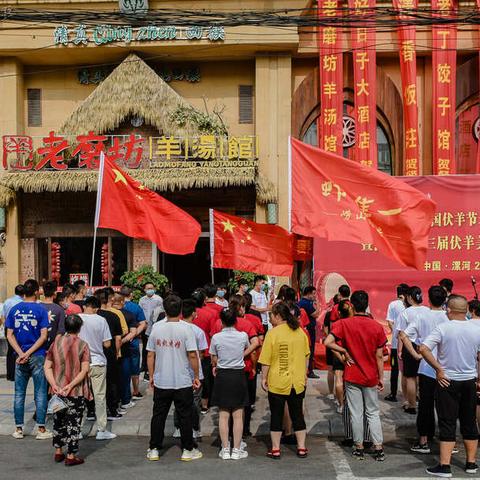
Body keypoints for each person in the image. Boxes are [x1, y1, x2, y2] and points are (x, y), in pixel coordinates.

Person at [420, 295, 480, 478]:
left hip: (448, 381)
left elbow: (423, 348)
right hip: (470, 380)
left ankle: (445, 466)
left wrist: (438, 369)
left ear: (449, 310)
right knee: (469, 421)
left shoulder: (443, 328)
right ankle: (471, 463)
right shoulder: (476, 328)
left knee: (448, 421)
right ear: (467, 311)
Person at [324, 290, 387, 462]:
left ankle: (358, 448)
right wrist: (381, 377)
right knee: (373, 412)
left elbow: (327, 342)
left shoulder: (344, 324)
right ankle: (378, 448)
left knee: (356, 412)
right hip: (371, 376)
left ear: (351, 305)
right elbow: (380, 356)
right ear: (367, 305)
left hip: (352, 375)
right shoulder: (376, 326)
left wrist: (343, 350)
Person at [146, 295, 202, 462]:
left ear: (165, 309)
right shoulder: (186, 329)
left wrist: (151, 375)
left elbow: (150, 354)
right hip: (182, 379)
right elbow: (192, 355)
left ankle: (154, 448)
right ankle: (187, 449)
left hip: (162, 379)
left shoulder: (156, 328)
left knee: (159, 415)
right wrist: (197, 375)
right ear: (180, 310)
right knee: (185, 415)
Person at [399, 286, 448, 454]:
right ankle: (450, 443)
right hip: (446, 368)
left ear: (428, 298)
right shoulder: (449, 317)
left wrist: (416, 354)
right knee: (447, 406)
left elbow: (403, 335)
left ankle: (423, 441)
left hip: (427, 367)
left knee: (426, 405)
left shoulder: (422, 315)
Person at [259, 302, 310, 459]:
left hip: (277, 380)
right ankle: (301, 448)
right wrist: (304, 373)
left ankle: (275, 448)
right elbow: (306, 354)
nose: (271, 319)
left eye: (271, 316)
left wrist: (263, 378)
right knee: (297, 416)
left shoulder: (273, 334)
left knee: (276, 415)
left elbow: (266, 359)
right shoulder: (299, 332)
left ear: (276, 315)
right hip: (297, 381)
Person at [5, 279, 52, 440]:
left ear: (24, 292)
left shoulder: (14, 309)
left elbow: (9, 334)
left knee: (19, 393)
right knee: (40, 392)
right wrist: (30, 352)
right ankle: (41, 429)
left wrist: (21, 353)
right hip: (38, 355)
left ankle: (18, 429)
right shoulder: (40, 310)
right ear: (37, 292)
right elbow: (44, 335)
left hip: (20, 356)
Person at [44, 314, 92, 466]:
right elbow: (84, 370)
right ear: (79, 328)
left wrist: (54, 384)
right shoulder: (83, 345)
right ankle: (71, 455)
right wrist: (70, 385)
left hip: (57, 391)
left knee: (58, 420)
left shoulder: (55, 343)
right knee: (73, 422)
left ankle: (58, 451)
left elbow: (47, 367)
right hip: (75, 391)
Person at [210, 308, 255, 460]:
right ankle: (236, 450)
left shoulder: (216, 337)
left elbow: (214, 358)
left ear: (221, 322)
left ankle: (224, 448)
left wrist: (216, 365)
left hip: (222, 375)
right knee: (237, 415)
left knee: (223, 415)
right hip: (238, 375)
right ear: (235, 320)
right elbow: (249, 348)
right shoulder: (242, 336)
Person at [78, 296, 116, 440]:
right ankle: (101, 430)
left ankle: (78, 429)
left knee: (80, 396)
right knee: (100, 396)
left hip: (81, 364)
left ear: (84, 306)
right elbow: (107, 344)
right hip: (98, 362)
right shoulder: (101, 320)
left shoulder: (76, 318)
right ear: (97, 308)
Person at [172, 299, 208, 440]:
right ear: (194, 314)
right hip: (194, 372)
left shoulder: (175, 329)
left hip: (179, 370)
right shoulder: (198, 331)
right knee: (194, 401)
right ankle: (194, 428)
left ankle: (178, 427)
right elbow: (200, 354)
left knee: (179, 400)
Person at [396, 286, 430, 414]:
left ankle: (411, 405)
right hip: (426, 346)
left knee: (410, 377)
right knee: (422, 376)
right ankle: (423, 401)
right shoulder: (427, 310)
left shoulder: (405, 313)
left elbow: (401, 334)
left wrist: (400, 350)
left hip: (410, 346)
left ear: (409, 298)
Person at [96, 289, 123, 420]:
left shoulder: (92, 317)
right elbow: (118, 338)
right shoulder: (114, 316)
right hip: (109, 352)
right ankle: (112, 410)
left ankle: (91, 411)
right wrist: (117, 352)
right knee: (112, 381)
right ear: (109, 300)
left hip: (93, 353)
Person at [191, 289, 217, 414]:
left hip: (189, 349)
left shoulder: (183, 314)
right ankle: (205, 403)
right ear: (204, 300)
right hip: (205, 350)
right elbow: (213, 334)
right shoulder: (211, 313)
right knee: (205, 377)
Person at [112, 293, 138, 410]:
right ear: (123, 302)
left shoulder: (108, 314)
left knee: (113, 377)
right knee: (125, 375)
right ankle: (125, 400)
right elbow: (133, 332)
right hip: (125, 349)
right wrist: (122, 341)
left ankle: (114, 400)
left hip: (110, 348)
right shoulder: (129, 315)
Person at [121, 286, 147, 400]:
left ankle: (123, 391)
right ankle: (135, 391)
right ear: (131, 294)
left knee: (122, 365)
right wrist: (135, 334)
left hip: (119, 341)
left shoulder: (114, 307)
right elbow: (143, 323)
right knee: (134, 366)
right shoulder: (136, 307)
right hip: (133, 341)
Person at [384, 283, 408, 402]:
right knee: (409, 371)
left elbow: (390, 321)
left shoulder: (393, 304)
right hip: (409, 343)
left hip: (395, 344)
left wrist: (396, 333)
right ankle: (411, 395)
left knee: (394, 369)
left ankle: (393, 394)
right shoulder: (410, 306)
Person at [139, 282, 164, 381]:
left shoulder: (158, 299)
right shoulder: (142, 300)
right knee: (146, 348)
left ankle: (154, 368)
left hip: (155, 326)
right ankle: (145, 367)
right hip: (145, 326)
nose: (150, 290)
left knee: (155, 349)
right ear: (144, 290)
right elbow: (140, 311)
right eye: (148, 288)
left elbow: (161, 312)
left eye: (151, 288)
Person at [3, 284, 25, 382]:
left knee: (10, 350)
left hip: (8, 327)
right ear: (23, 293)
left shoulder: (7, 301)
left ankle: (10, 374)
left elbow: (3, 316)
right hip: (19, 328)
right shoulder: (23, 302)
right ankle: (20, 373)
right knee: (20, 349)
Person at [298, 286, 320, 379]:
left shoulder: (302, 302)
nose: (315, 295)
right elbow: (316, 314)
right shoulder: (306, 303)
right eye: (314, 293)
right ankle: (309, 370)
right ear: (309, 293)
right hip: (309, 329)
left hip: (306, 328)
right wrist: (318, 305)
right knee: (310, 349)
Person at [323, 294, 340, 399]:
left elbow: (325, 329)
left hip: (331, 343)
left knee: (331, 369)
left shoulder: (329, 314)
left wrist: (329, 337)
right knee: (339, 371)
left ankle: (331, 392)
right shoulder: (348, 313)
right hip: (340, 344)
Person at [41, 280, 66, 350]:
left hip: (37, 348)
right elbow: (61, 331)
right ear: (55, 293)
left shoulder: (36, 307)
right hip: (53, 347)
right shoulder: (60, 309)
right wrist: (53, 347)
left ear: (43, 292)